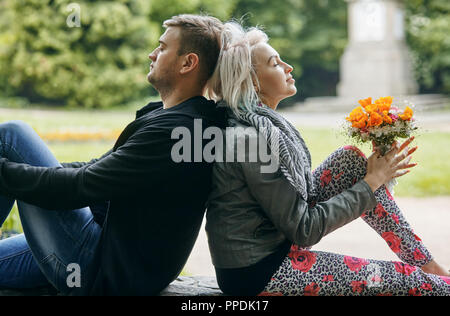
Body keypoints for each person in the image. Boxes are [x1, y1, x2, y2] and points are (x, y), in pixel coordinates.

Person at [205, 21, 450, 296]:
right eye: (275, 63)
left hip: (273, 245)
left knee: (350, 160)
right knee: (411, 281)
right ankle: (434, 280)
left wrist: (373, 173)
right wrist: (373, 181)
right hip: (258, 271)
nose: (289, 67)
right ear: (251, 80)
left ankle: (429, 266)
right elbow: (304, 229)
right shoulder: (252, 139)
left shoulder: (261, 125)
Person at [0, 14, 225, 295]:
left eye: (162, 47)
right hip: (103, 252)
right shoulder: (172, 118)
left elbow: (80, 186)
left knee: (11, 135)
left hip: (99, 271)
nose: (151, 54)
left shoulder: (177, 130)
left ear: (188, 63)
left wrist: (5, 170)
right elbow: (97, 169)